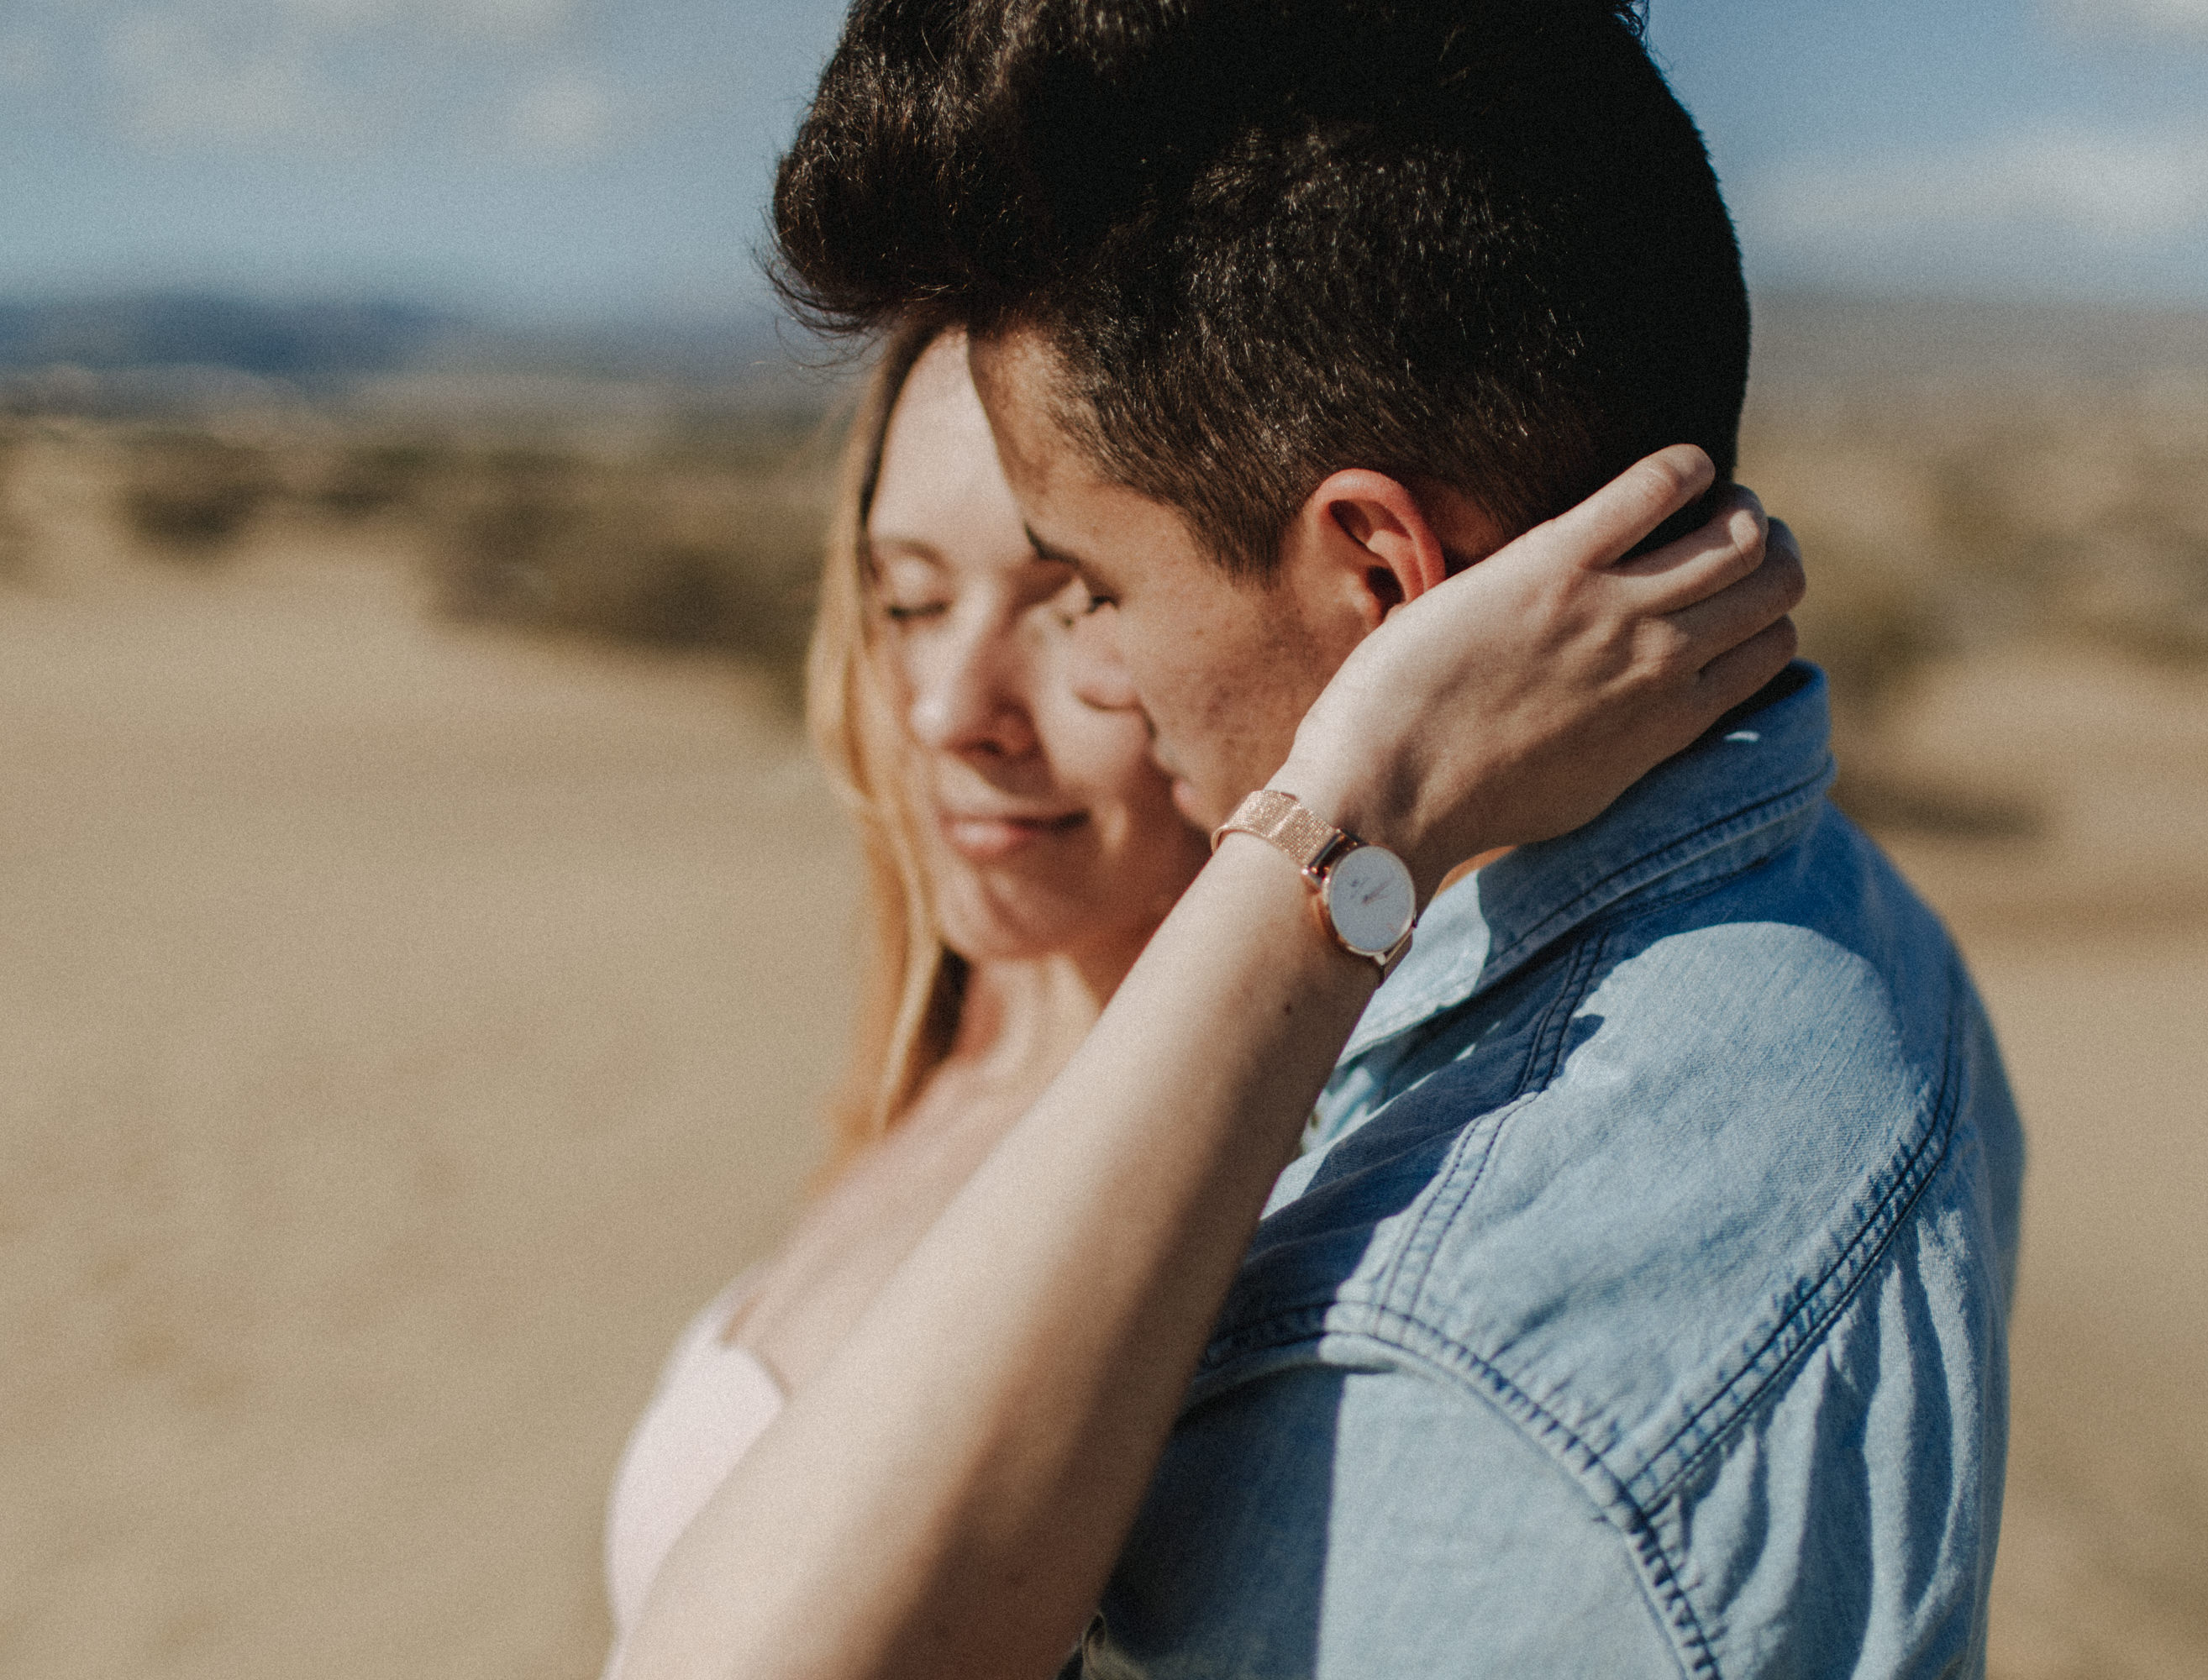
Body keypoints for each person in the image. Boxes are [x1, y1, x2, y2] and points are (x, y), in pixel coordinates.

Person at [723, 0, 2030, 1672]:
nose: (1100, 675)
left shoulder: (1446, 1361)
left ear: (1386, 579)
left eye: (1094, 588)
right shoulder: (1855, 927)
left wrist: (1345, 828)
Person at [604, 305, 1807, 1680]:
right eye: (911, 600)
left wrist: (1368, 810)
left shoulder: (1261, 1179)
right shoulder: (950, 1041)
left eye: (1078, 603)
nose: (953, 710)